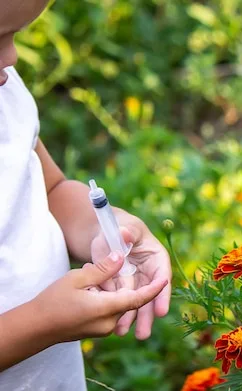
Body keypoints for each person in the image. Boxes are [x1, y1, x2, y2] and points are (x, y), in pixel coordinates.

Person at [0, 0, 173, 389]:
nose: (10, 58)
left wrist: (106, 230)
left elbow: (51, 189)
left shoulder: (4, 90)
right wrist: (41, 322)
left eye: (15, 35)